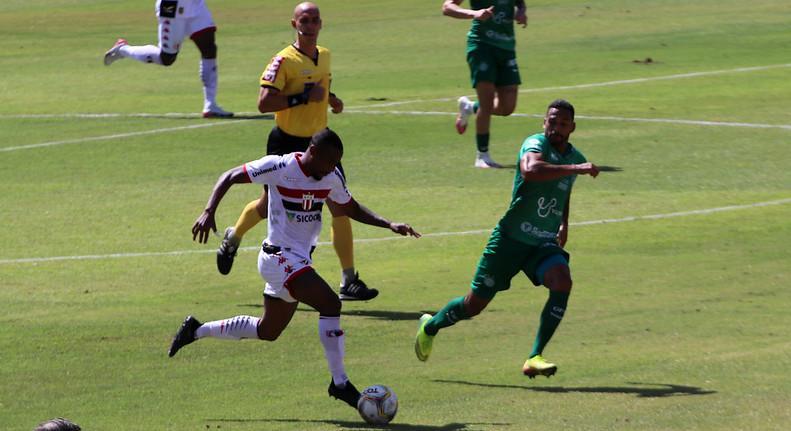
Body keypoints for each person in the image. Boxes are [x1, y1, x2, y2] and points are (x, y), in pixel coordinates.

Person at [169, 128, 420, 409]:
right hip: (276, 257)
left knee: (268, 330)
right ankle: (340, 384)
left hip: (297, 260)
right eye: (329, 162)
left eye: (336, 163)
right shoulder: (279, 166)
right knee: (330, 304)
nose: (333, 168)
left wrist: (389, 224)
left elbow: (350, 207)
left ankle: (196, 330)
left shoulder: (330, 177)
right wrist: (208, 210)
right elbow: (229, 176)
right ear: (312, 152)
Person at [414, 100, 599, 378]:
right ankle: (430, 327)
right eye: (552, 121)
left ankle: (534, 356)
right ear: (544, 122)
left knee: (562, 281)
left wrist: (563, 223)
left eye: (563, 124)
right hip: (510, 239)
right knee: (473, 305)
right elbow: (531, 170)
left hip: (542, 241)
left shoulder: (575, 157)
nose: (556, 128)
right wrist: (577, 169)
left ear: (572, 127)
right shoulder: (534, 144)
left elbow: (563, 191)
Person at [215, 3, 375, 302]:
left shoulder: (324, 55)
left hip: (320, 147)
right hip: (286, 143)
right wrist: (303, 97)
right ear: (294, 23)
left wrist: (332, 100)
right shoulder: (282, 61)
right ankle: (233, 237)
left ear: (321, 24)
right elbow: (264, 103)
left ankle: (349, 279)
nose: (310, 25)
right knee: (266, 206)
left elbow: (322, 87)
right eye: (304, 20)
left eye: (315, 20)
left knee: (339, 206)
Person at [103, 0, 233, 118]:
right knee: (166, 58)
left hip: (195, 5)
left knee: (209, 48)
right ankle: (123, 49)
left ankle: (210, 105)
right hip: (172, 6)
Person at [442, 0, 527, 168]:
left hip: (507, 48)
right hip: (482, 47)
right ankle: (482, 156)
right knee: (487, 103)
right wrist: (474, 14)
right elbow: (447, 7)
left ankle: (469, 107)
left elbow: (520, 3)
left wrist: (521, 11)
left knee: (507, 108)